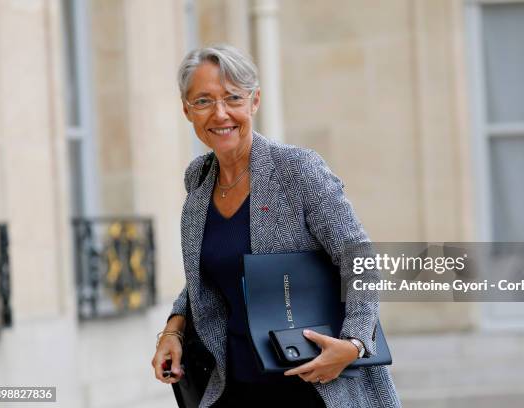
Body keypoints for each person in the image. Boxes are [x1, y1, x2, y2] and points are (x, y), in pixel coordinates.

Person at [151, 44, 401, 408]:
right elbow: (209, 276)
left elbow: (358, 257)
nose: (220, 114)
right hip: (234, 386)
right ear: (187, 109)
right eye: (203, 101)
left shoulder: (296, 169)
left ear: (254, 101)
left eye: (232, 98)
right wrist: (174, 328)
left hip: (316, 385)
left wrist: (355, 344)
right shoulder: (199, 179)